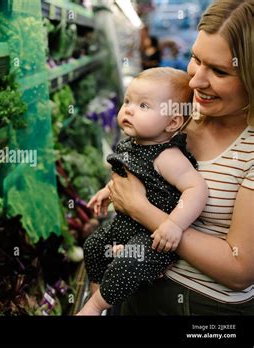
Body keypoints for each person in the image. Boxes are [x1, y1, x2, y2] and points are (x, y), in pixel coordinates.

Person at [104, 0, 254, 315]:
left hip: (203, 308)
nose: (197, 81)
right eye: (196, 59)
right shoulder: (177, 116)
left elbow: (240, 270)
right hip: (135, 283)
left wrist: (141, 209)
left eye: (219, 71)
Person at [77, 67, 209, 315]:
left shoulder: (168, 156)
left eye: (143, 106)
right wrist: (108, 190)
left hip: (152, 238)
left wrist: (175, 224)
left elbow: (197, 188)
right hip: (127, 225)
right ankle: (99, 293)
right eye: (128, 101)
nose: (128, 109)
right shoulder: (132, 142)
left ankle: (95, 306)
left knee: (130, 262)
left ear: (173, 122)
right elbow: (128, 174)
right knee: (94, 245)